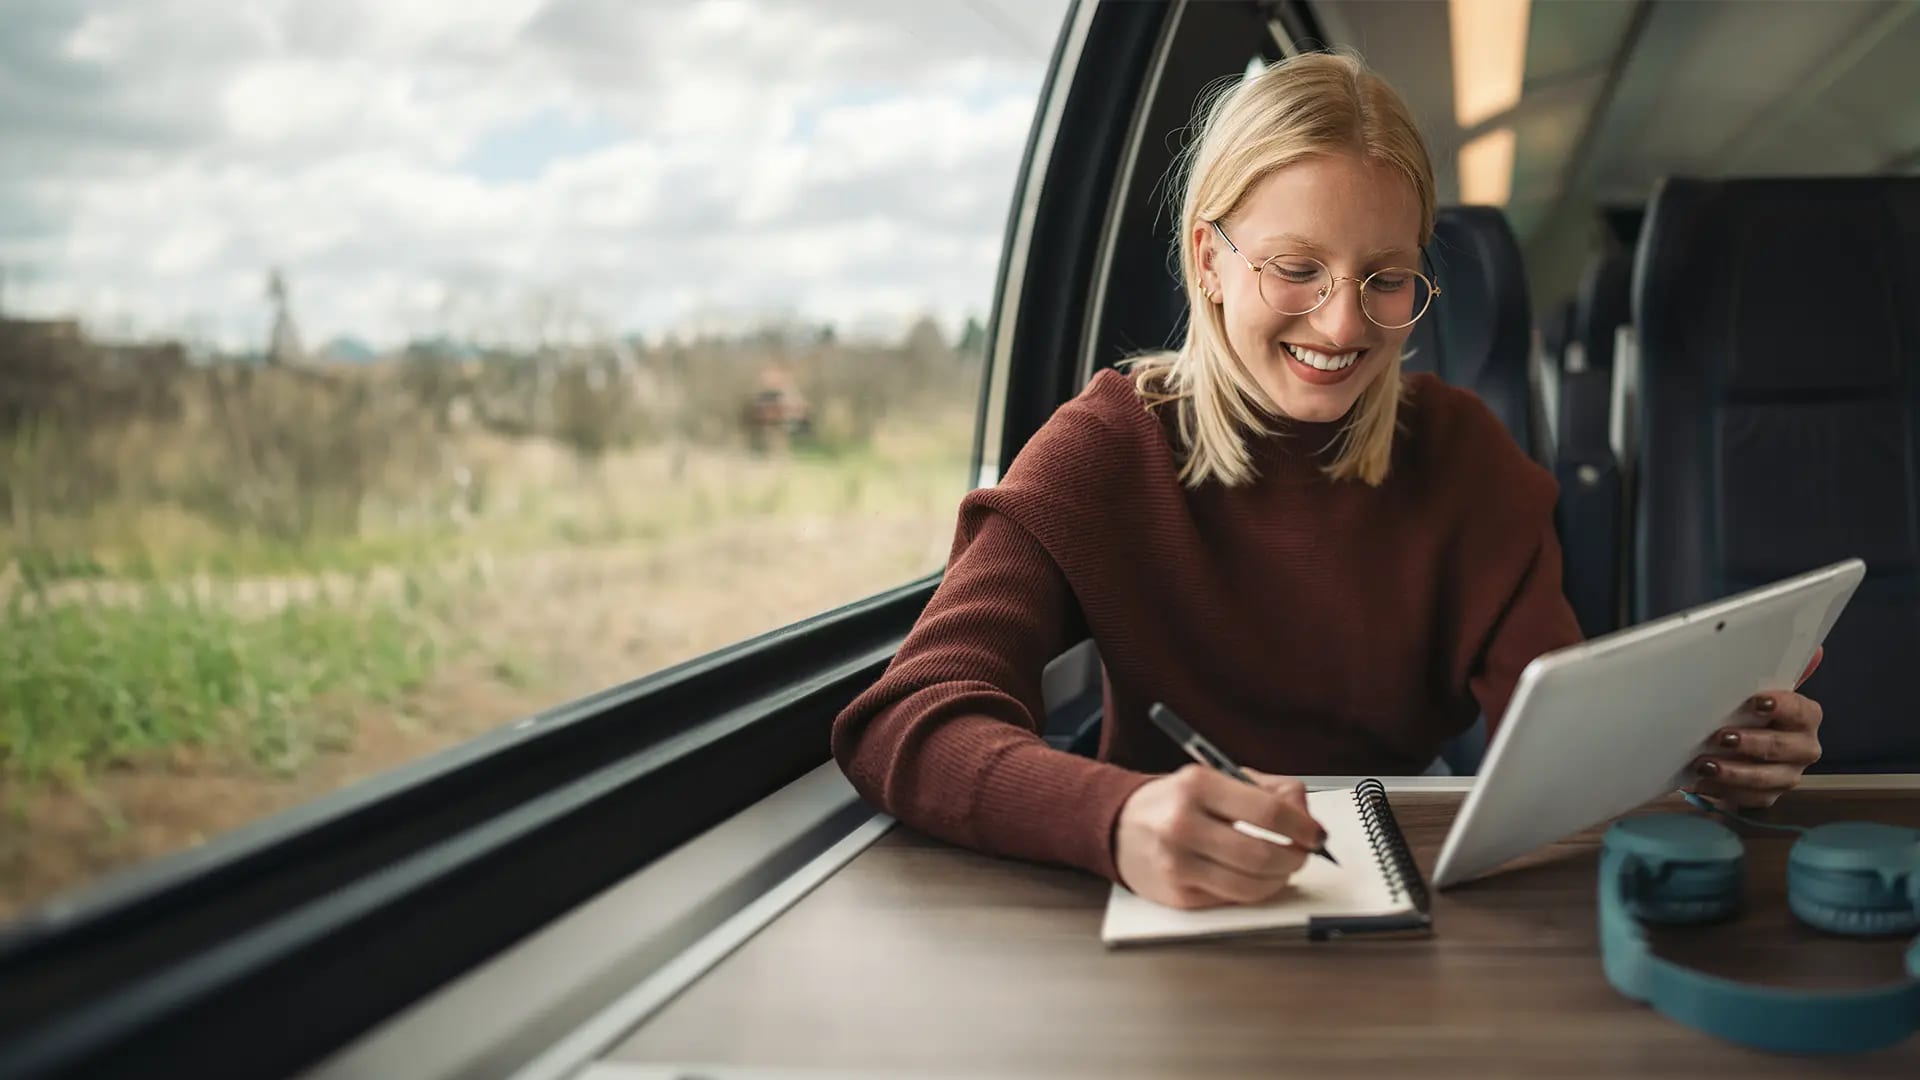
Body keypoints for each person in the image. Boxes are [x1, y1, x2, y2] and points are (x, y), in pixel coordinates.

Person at [831, 51, 1826, 912]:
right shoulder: (1104, 449)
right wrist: (1117, 813)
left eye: (1385, 279)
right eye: (1295, 268)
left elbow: (1551, 725)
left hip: (1389, 866)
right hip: (1146, 885)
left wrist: (1705, 760)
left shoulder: (1466, 456)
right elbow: (904, 720)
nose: (1345, 325)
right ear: (1208, 262)